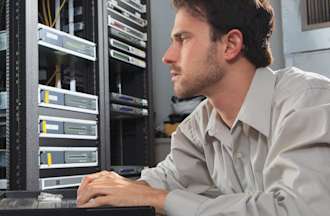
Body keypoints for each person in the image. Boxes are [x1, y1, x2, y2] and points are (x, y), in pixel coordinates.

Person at [76, 0, 330, 215]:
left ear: (230, 44)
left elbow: (296, 208)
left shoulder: (308, 102)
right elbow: (165, 178)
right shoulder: (198, 127)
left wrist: (158, 199)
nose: (167, 56)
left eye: (182, 39)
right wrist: (113, 189)